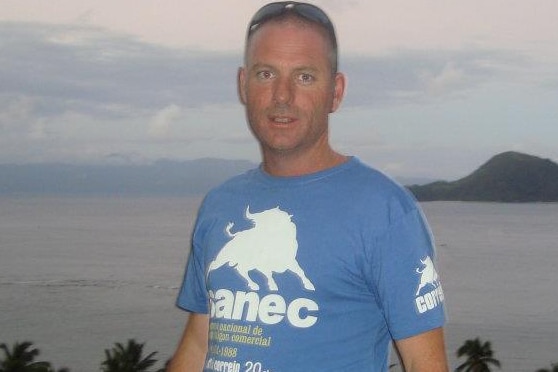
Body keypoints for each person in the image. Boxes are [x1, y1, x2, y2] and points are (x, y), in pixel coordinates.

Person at [168, 2, 448, 371]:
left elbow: (424, 364)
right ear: (243, 85)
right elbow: (199, 343)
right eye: (266, 74)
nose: (282, 96)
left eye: (304, 77)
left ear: (335, 91)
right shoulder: (220, 205)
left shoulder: (385, 211)